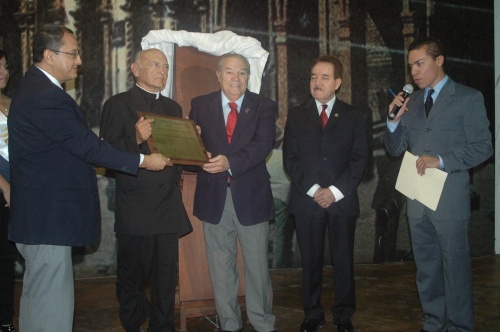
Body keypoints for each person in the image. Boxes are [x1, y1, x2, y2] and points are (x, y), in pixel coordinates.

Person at [7, 24, 170, 331]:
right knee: (50, 303)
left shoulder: (35, 89)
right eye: (72, 52)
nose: (79, 60)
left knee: (39, 296)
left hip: (42, 217)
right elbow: (88, 147)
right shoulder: (45, 96)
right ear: (48, 55)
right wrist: (144, 160)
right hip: (48, 218)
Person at [384, 36, 492, 332]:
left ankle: (459, 327)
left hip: (450, 198)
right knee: (427, 269)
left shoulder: (468, 97)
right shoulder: (411, 102)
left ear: (439, 60)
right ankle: (433, 323)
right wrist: (392, 122)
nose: (414, 72)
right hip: (417, 200)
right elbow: (394, 150)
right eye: (411, 66)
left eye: (420, 64)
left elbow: (484, 147)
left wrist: (441, 160)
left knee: (455, 270)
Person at [99, 48, 192, 332]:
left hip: (167, 205)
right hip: (137, 207)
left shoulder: (173, 108)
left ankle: (162, 327)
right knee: (132, 278)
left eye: (165, 66)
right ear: (135, 69)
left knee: (165, 279)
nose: (162, 71)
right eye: (154, 64)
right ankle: (132, 324)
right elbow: (107, 157)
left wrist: (196, 149)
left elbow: (178, 157)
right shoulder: (117, 105)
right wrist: (137, 139)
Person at [189, 53, 277, 332]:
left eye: (241, 72)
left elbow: (264, 144)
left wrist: (230, 163)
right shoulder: (199, 105)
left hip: (251, 197)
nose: (236, 78)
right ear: (218, 75)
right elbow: (192, 148)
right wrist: (193, 137)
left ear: (248, 76)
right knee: (220, 268)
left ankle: (263, 323)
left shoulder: (263, 106)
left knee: (257, 268)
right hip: (213, 198)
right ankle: (229, 324)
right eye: (229, 72)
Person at [283, 55, 367, 332]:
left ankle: (343, 315)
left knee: (343, 261)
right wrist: (314, 190)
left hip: (341, 202)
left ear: (338, 82)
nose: (317, 82)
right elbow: (290, 160)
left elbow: (359, 160)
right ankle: (313, 314)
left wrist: (333, 191)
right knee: (310, 263)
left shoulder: (354, 115)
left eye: (324, 77)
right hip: (307, 201)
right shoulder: (296, 115)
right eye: (313, 77)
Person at [0, 49, 16, 332]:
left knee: (7, 259)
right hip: (3, 188)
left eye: (3, 66)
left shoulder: (13, 103)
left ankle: (6, 320)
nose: (3, 71)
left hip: (20, 185)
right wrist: (4, 186)